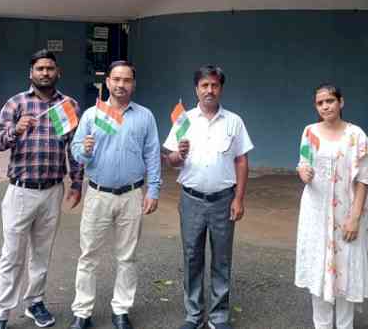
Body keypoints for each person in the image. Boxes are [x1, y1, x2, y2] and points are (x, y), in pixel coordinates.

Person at [0, 49, 84, 329]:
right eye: (40, 68)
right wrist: (15, 130)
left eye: (50, 68)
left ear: (58, 73)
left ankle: (35, 302)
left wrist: (77, 183)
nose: (45, 73)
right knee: (12, 255)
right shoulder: (16, 103)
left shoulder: (68, 106)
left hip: (53, 189)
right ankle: (1, 312)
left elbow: (74, 148)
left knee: (42, 253)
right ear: (31, 73)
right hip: (21, 190)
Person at [69, 60, 161, 329]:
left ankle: (121, 310)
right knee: (88, 256)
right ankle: (82, 313)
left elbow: (152, 154)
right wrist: (84, 149)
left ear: (134, 83)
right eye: (116, 79)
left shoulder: (145, 116)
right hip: (98, 195)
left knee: (127, 256)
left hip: (132, 195)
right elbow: (76, 152)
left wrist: (153, 189)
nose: (121, 85)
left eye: (127, 80)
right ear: (107, 82)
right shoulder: (91, 115)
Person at [164, 65, 254, 329]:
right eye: (204, 85)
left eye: (214, 85)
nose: (209, 90)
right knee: (192, 257)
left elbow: (241, 160)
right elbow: (170, 160)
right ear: (197, 89)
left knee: (222, 259)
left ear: (221, 88)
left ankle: (218, 317)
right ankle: (193, 316)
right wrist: (178, 155)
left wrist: (239, 199)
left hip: (223, 200)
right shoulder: (184, 120)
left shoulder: (234, 121)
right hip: (191, 199)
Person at [294, 84, 368, 329]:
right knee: (319, 268)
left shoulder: (356, 135)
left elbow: (364, 179)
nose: (325, 106)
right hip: (316, 212)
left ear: (341, 102)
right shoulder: (309, 132)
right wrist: (303, 172)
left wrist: (354, 217)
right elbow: (302, 164)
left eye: (330, 101)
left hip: (347, 213)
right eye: (320, 103)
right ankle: (321, 325)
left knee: (346, 271)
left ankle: (344, 325)